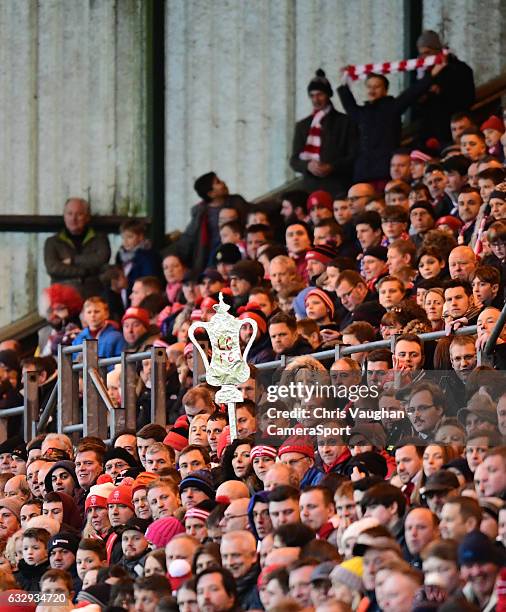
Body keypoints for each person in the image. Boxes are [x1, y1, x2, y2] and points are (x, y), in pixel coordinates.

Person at [337, 66, 439, 183]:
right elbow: (349, 106)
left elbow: (411, 93)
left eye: (377, 87)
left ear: (385, 90)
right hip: (363, 173)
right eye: (369, 87)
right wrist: (344, 81)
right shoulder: (362, 112)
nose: (372, 90)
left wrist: (431, 75)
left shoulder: (392, 107)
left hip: (385, 171)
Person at [290, 69, 357, 195]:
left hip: (339, 186)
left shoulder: (345, 122)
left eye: (320, 94)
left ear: (328, 95)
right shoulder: (302, 125)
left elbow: (353, 155)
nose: (316, 99)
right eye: (312, 95)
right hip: (311, 188)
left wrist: (332, 167)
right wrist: (308, 166)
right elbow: (294, 161)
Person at [413, 30, 475, 144]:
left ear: (438, 51)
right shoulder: (423, 72)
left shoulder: (460, 70)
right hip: (428, 130)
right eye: (421, 54)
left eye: (428, 52)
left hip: (450, 128)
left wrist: (441, 91)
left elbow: (468, 98)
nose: (424, 57)